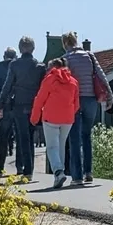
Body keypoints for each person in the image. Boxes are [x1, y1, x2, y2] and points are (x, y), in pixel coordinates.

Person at [61, 31, 113, 186]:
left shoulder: (66, 59)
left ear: (65, 44)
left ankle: (76, 177)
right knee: (86, 135)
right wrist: (109, 93)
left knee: (74, 138)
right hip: (91, 100)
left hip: (74, 101)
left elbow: (64, 81)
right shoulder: (89, 56)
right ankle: (88, 172)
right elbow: (101, 75)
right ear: (76, 41)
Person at [0, 37, 45, 181]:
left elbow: (7, 85)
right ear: (33, 48)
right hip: (35, 105)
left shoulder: (14, 65)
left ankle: (27, 171)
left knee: (23, 137)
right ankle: (30, 169)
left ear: (20, 48)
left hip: (19, 105)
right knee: (31, 135)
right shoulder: (40, 66)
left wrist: (0, 105)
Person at [29, 57, 80, 190]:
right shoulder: (73, 82)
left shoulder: (49, 79)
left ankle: (58, 172)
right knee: (61, 146)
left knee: (52, 147)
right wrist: (69, 114)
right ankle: (60, 173)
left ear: (52, 67)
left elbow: (39, 99)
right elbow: (76, 103)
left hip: (50, 117)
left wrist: (34, 118)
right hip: (68, 118)